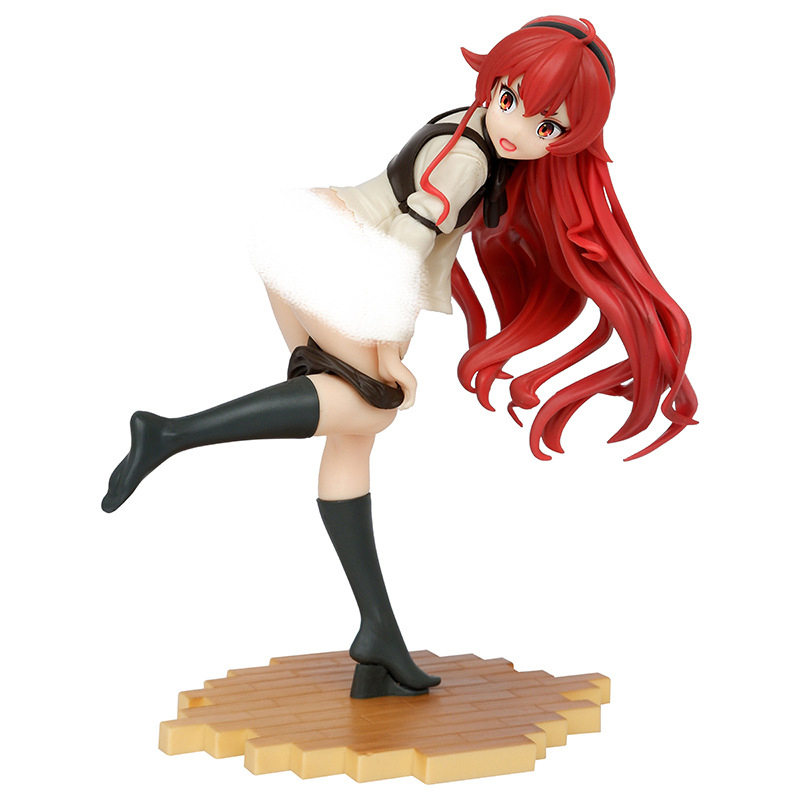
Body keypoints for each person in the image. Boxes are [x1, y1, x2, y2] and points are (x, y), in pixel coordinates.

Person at [101, 16, 697, 698]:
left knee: (352, 437)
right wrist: (388, 357)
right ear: (492, 82)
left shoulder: (472, 133)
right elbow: (401, 250)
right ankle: (169, 434)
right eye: (508, 98)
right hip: (329, 252)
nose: (516, 127)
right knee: (373, 404)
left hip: (305, 232)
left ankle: (378, 636)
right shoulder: (470, 160)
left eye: (546, 125)